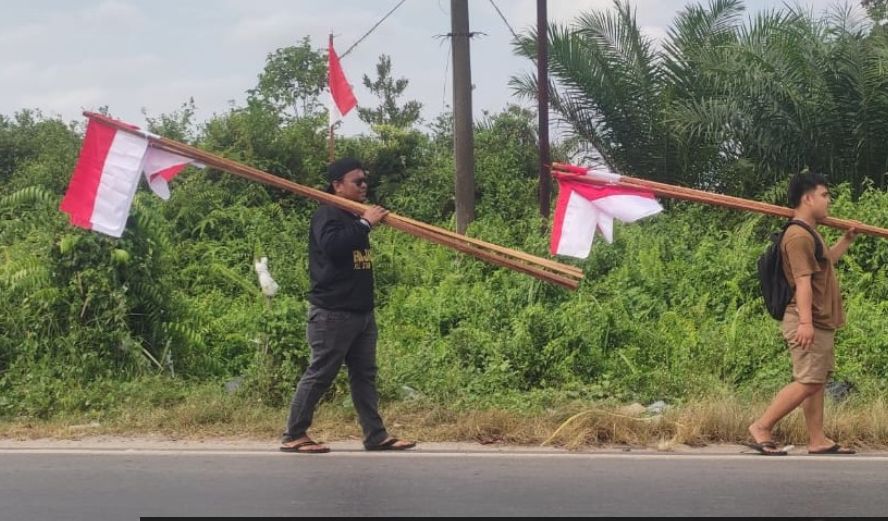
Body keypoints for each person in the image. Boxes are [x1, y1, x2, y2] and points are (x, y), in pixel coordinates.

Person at [280, 158, 416, 454]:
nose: (364, 186)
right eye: (357, 181)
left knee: (364, 376)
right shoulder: (327, 214)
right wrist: (365, 223)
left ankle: (375, 435)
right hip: (333, 312)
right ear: (337, 185)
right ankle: (294, 434)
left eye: (365, 181)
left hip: (361, 313)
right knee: (321, 374)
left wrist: (363, 221)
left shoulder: (353, 215)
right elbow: (333, 247)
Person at [747, 172, 858, 456]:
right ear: (808, 199)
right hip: (807, 318)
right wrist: (806, 323)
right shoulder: (797, 236)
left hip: (819, 319)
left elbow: (825, 263)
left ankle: (817, 439)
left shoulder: (810, 232)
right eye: (824, 195)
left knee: (816, 381)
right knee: (808, 380)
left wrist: (846, 240)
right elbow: (803, 281)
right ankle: (761, 426)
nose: (828, 201)